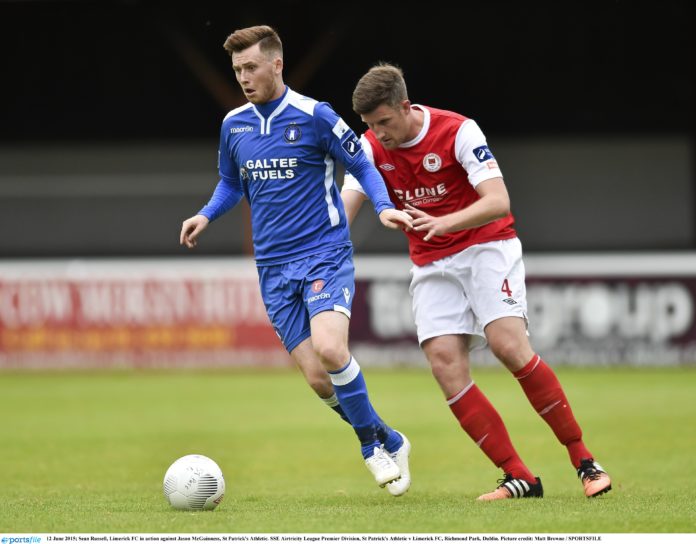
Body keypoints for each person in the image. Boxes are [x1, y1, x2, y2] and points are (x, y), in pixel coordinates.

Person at [341, 63, 612, 500]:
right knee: (445, 364)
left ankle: (584, 460)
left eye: (385, 122)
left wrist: (445, 222)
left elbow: (498, 201)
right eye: (370, 125)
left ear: (406, 107)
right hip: (431, 261)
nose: (379, 134)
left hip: (487, 247)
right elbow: (345, 209)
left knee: (508, 346)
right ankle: (518, 475)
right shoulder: (369, 147)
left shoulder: (458, 131)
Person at [180, 27, 413, 496]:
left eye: (250, 67)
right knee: (318, 380)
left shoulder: (315, 116)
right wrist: (206, 214)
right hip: (272, 267)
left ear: (276, 64)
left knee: (331, 350)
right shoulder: (234, 125)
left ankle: (370, 447)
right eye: (237, 70)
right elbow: (232, 183)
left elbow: (363, 163)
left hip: (323, 253)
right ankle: (389, 437)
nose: (244, 77)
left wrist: (384, 205)